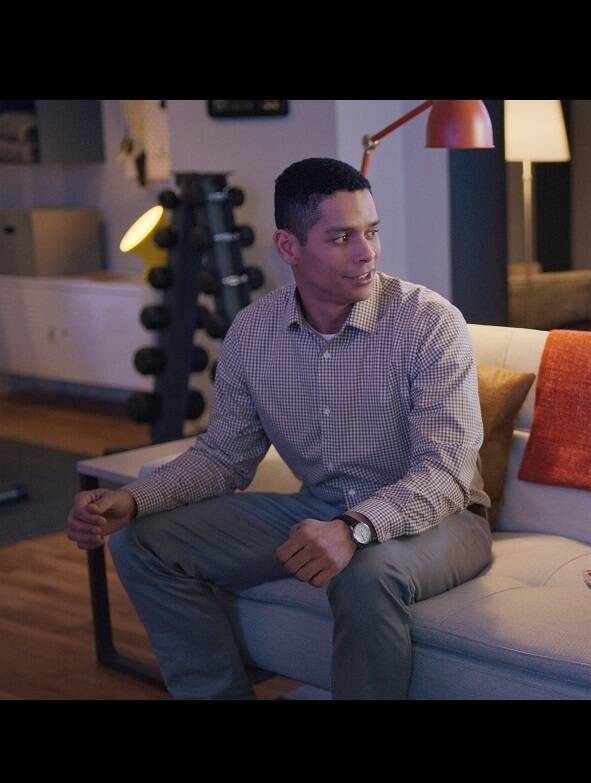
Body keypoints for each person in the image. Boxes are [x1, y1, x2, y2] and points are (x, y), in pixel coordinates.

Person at [65, 157, 493, 699]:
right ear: (289, 246)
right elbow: (223, 457)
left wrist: (355, 528)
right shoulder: (253, 332)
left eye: (371, 231)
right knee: (143, 542)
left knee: (365, 574)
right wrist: (134, 499)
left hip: (444, 520)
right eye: (341, 237)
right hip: (318, 507)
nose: (366, 253)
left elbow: (445, 473)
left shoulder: (429, 323)